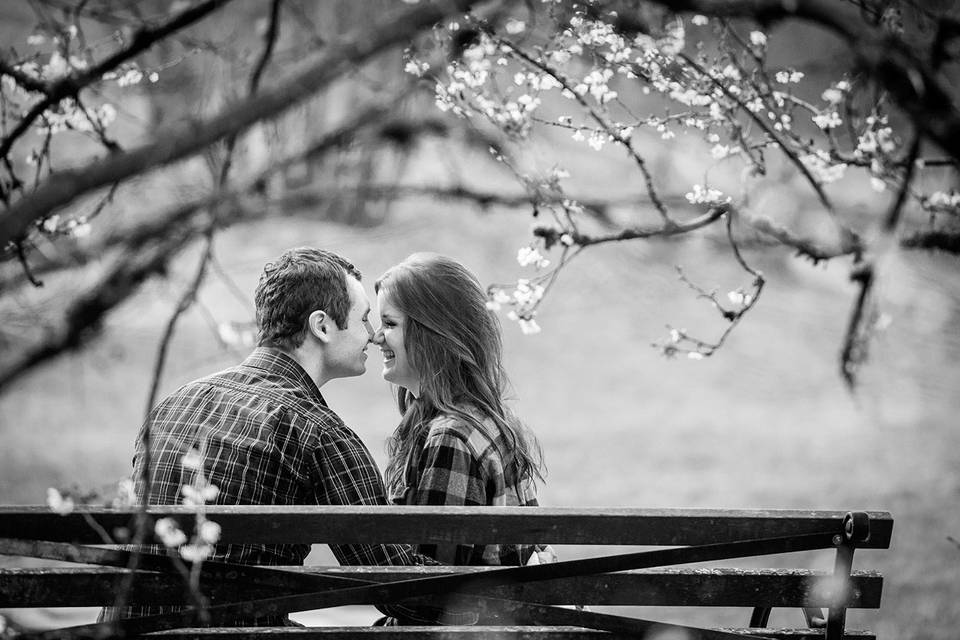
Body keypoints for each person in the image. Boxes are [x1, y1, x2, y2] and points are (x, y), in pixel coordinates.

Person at [104, 247, 466, 626]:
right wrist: (508, 583)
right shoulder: (317, 432)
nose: (373, 336)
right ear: (322, 326)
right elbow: (399, 589)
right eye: (363, 319)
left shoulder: (173, 405)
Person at [372, 253, 552, 572]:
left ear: (432, 333)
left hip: (465, 621)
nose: (375, 336)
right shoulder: (485, 420)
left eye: (390, 323)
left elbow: (431, 586)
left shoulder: (451, 438)